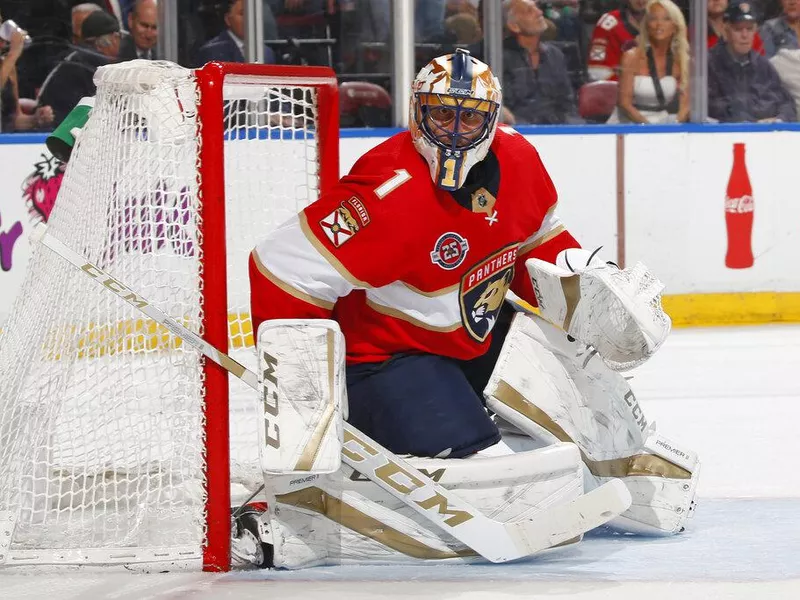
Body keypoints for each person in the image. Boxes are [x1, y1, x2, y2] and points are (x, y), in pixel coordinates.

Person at [243, 48, 699, 568]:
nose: (455, 130)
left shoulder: (520, 158)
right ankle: (318, 514)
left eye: (470, 116)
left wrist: (583, 282)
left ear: (492, 117)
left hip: (472, 335)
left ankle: (623, 466)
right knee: (495, 478)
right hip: (388, 359)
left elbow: (537, 241)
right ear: (417, 112)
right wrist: (305, 392)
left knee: (584, 380)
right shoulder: (386, 194)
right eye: (441, 113)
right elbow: (278, 264)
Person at [708, 1, 797, 122]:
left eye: (749, 29)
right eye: (738, 29)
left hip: (765, 136)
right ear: (726, 30)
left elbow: (787, 104)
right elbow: (710, 109)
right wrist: (754, 121)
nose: (745, 35)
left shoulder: (763, 65)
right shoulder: (709, 63)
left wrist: (778, 120)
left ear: (755, 30)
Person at [36, 10, 121, 128]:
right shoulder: (96, 62)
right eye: (118, 37)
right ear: (112, 39)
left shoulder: (71, 55)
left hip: (52, 129)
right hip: (63, 132)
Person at [609, 0, 689, 123]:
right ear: (646, 24)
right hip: (629, 123)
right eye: (653, 19)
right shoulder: (631, 57)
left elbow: (686, 105)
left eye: (666, 19)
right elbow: (624, 104)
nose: (658, 24)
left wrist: (675, 128)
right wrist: (648, 130)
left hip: (662, 123)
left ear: (675, 26)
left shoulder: (681, 61)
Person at [501, 0, 580, 125]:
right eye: (529, 11)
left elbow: (568, 104)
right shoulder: (500, 58)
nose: (539, 12)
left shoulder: (555, 55)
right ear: (513, 26)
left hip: (559, 132)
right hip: (517, 134)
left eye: (536, 8)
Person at [0, 12, 54, 131]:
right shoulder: (9, 61)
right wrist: (14, 52)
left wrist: (35, 119)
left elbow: (14, 120)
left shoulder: (8, 67)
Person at [194, 0, 276, 66]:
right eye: (242, 13)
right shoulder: (212, 52)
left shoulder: (266, 52)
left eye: (253, 13)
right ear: (227, 19)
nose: (249, 18)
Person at [587, 0, 647, 81]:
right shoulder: (607, 25)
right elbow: (597, 72)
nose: (641, 1)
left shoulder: (665, 23)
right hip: (618, 91)